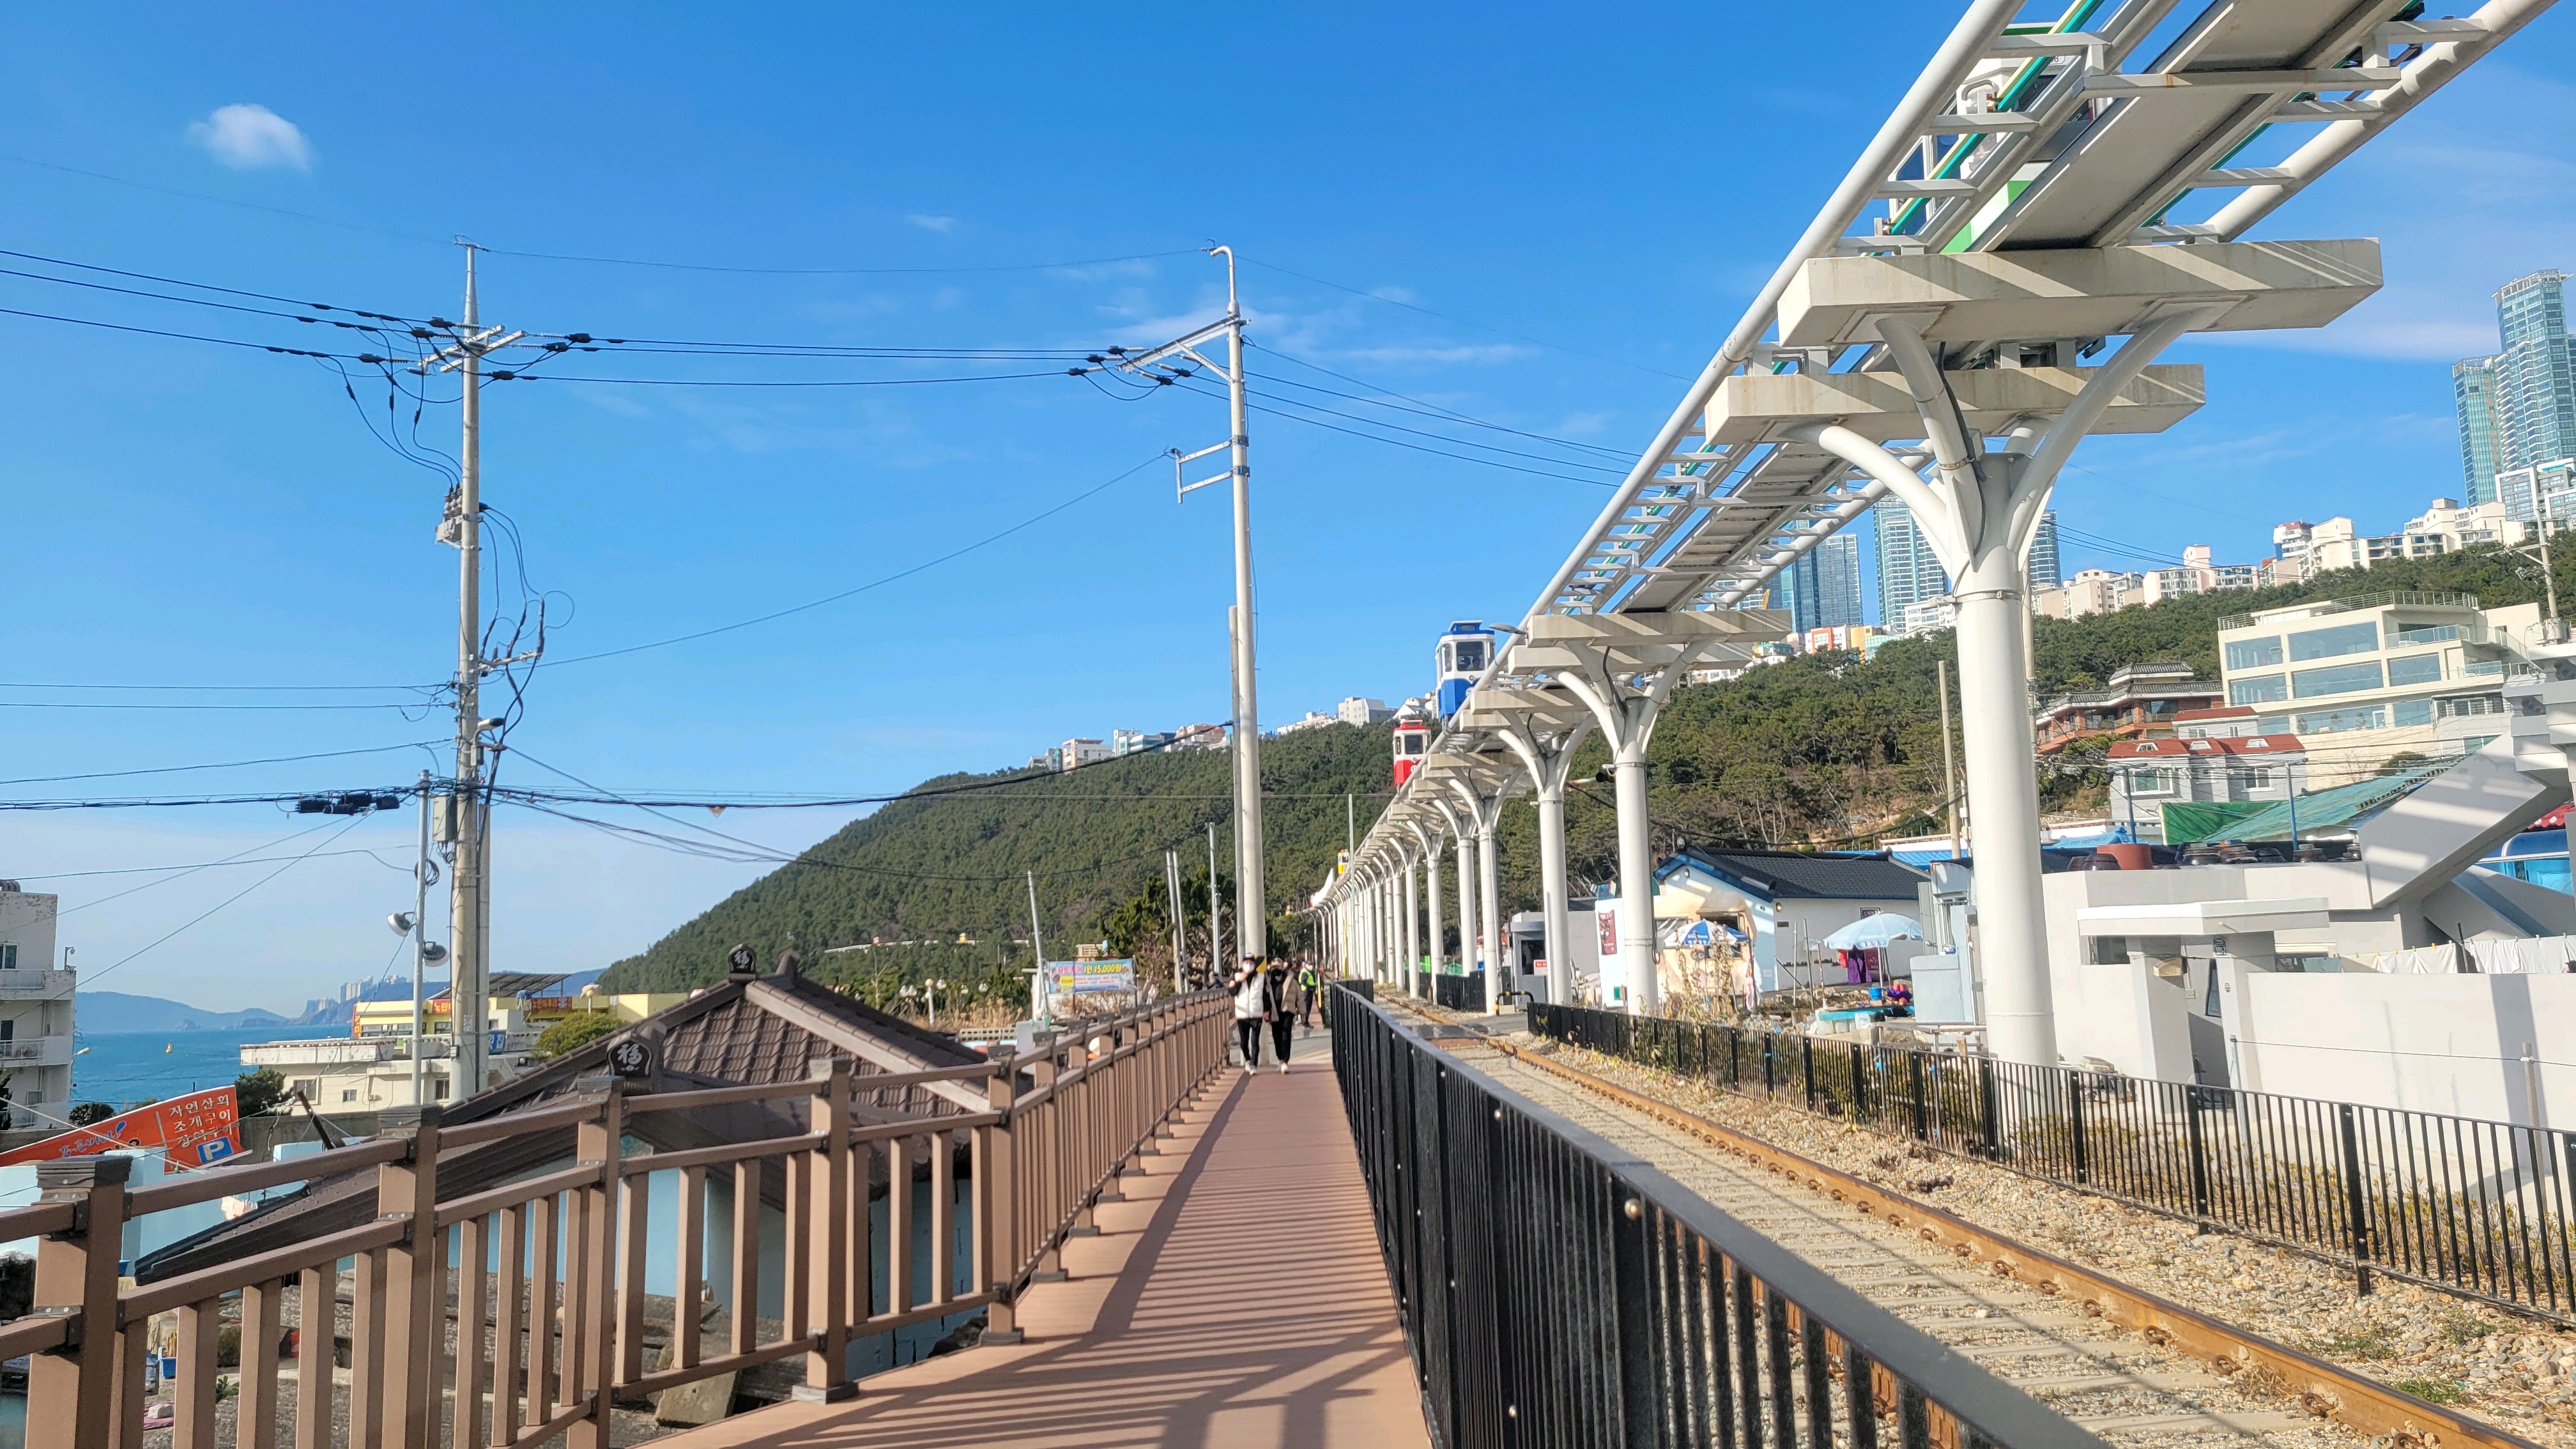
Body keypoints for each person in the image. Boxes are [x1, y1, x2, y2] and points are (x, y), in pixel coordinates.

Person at [1230, 954, 1268, 1076]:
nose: (1249, 965)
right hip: (1242, 1014)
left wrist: (1267, 1010)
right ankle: (1248, 1059)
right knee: (1243, 1042)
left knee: (1255, 1041)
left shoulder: (1261, 977)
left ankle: (1253, 1065)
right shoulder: (1236, 976)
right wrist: (1239, 981)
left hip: (1256, 1013)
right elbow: (1232, 992)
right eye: (1246, 963)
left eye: (1251, 963)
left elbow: (1265, 994)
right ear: (1242, 964)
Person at [1264, 958, 1296, 1073]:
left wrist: (1303, 1014)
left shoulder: (1290, 978)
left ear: (1282, 967)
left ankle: (1285, 1062)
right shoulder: (1268, 980)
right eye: (1274, 967)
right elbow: (1265, 996)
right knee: (1277, 1037)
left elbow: (1298, 995)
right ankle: (1281, 1060)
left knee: (1286, 1035)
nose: (1276, 969)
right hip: (1274, 1012)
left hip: (1287, 1011)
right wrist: (1266, 1011)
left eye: (1278, 967)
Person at [1297, 959, 1321, 1028]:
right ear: (1306, 965)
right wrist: (1311, 986)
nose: (1311, 966)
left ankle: (1306, 1021)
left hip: (1309, 991)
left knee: (1308, 1007)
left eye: (1311, 964)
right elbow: (1303, 982)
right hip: (1306, 991)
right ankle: (1305, 1022)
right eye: (1309, 964)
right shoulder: (1305, 972)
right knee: (1306, 1007)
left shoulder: (1308, 971)